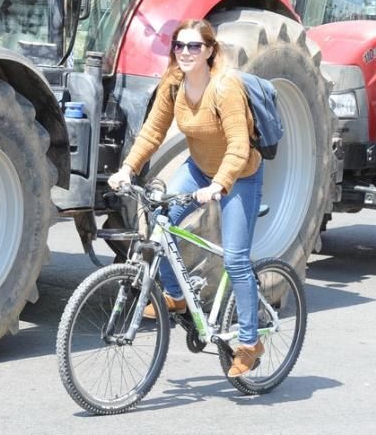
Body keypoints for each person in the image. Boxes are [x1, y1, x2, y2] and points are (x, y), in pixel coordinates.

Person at [107, 19, 265, 378]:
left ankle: (250, 342)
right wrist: (128, 169)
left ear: (210, 51)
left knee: (237, 259)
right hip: (198, 168)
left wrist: (219, 185)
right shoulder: (174, 83)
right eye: (180, 45)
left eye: (194, 46)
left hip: (239, 175)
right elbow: (152, 131)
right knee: (161, 223)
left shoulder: (225, 88)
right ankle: (176, 295)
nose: (186, 53)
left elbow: (239, 147)